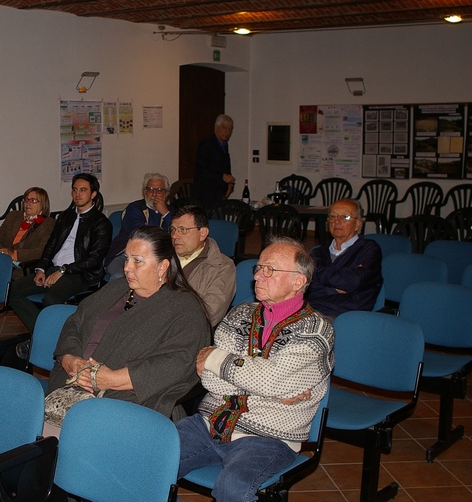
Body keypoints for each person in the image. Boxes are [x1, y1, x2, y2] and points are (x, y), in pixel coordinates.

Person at [175, 237, 335, 502]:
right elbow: (211, 380)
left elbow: (271, 379)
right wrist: (272, 388)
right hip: (208, 422)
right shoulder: (239, 315)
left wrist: (217, 359)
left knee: (233, 486)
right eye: (259, 268)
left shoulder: (317, 332)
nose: (259, 275)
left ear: (298, 281)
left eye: (270, 269)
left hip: (269, 437)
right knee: (148, 461)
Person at [46, 226, 210, 428]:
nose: (126, 268)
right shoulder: (116, 289)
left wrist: (112, 379)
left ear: (162, 267)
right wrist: (69, 359)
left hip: (123, 402)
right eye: (126, 259)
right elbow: (75, 322)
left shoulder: (184, 310)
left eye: (137, 261)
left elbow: (177, 361)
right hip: (69, 388)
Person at [8, 174, 112, 332]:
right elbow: (50, 245)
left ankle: (52, 335)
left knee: (50, 299)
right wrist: (41, 269)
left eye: (83, 190)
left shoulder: (102, 223)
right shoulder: (65, 216)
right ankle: (43, 332)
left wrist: (64, 270)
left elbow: (94, 259)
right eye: (75, 190)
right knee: (12, 291)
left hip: (79, 273)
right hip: (53, 268)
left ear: (93, 194)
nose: (77, 194)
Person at [305, 198, 383, 319]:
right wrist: (334, 289)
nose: (337, 221)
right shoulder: (318, 253)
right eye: (333, 217)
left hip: (346, 317)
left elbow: (355, 281)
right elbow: (305, 287)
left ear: (357, 224)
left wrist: (317, 276)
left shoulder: (369, 249)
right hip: (310, 312)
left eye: (345, 217)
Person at [170, 205, 236, 327]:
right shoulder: (163, 257)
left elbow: (208, 314)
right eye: (173, 230)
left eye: (183, 230)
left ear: (203, 233)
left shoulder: (222, 267)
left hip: (186, 332)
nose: (174, 236)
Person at [104, 173, 172, 279]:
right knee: (120, 277)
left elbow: (177, 233)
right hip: (125, 256)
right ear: (144, 192)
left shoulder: (171, 212)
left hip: (157, 258)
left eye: (159, 190)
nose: (154, 193)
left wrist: (166, 214)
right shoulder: (134, 209)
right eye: (150, 189)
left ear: (166, 193)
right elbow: (144, 236)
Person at [0, 187, 56, 279]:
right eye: (26, 200)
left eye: (33, 200)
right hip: (0, 260)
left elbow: (42, 252)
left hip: (24, 268)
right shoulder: (13, 216)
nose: (28, 203)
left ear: (43, 204)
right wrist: (1, 253)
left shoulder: (48, 223)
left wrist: (13, 254)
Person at [193, 114, 236, 210]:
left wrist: (230, 184)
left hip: (219, 192)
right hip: (206, 194)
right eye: (225, 128)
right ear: (216, 128)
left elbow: (225, 167)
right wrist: (222, 176)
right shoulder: (206, 144)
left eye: (230, 129)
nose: (227, 132)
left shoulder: (224, 145)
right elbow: (202, 170)